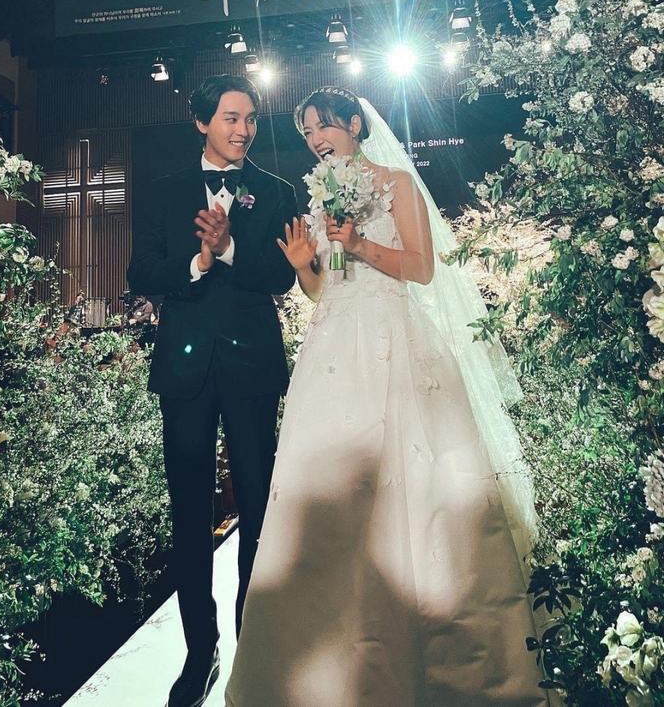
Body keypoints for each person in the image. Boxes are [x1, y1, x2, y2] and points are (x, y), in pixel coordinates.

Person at [224, 87, 548, 706]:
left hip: (395, 340)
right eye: (307, 132)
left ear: (354, 124)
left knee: (415, 486)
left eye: (323, 126)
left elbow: (421, 268)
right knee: (329, 489)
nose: (316, 140)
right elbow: (325, 291)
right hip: (333, 349)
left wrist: (357, 243)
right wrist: (305, 265)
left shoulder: (397, 183)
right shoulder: (319, 197)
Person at [127, 74, 298, 707]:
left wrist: (228, 251)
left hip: (253, 369)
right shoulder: (165, 191)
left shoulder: (276, 192)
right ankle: (201, 652)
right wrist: (199, 263)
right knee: (189, 514)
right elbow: (141, 271)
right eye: (231, 118)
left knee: (258, 508)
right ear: (202, 122)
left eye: (251, 118)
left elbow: (283, 276)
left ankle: (255, 646)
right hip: (185, 373)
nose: (244, 129)